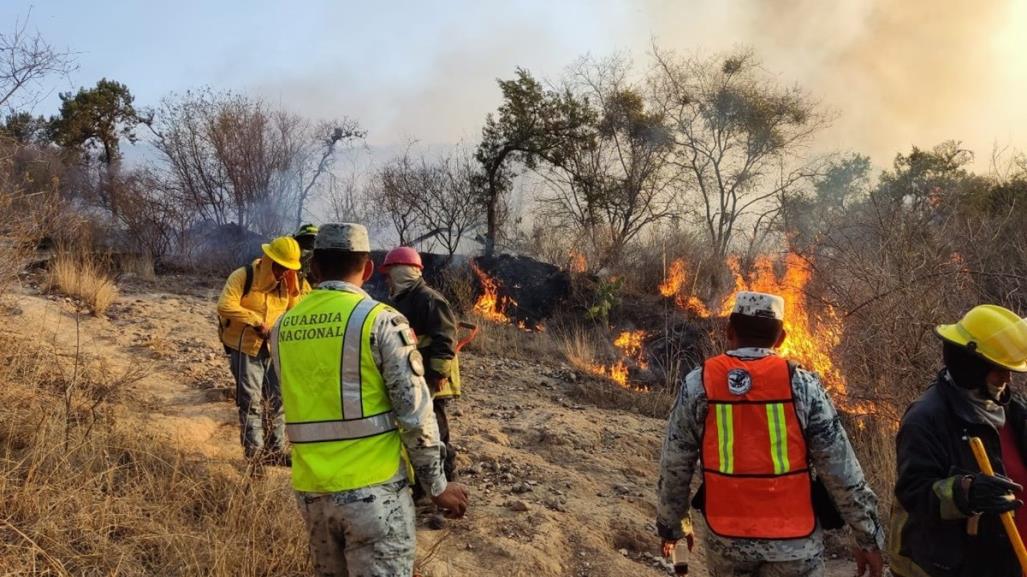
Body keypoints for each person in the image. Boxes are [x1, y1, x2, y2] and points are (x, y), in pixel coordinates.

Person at [270, 223, 469, 577]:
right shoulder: (379, 321)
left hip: (311, 495)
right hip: (374, 496)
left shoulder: (283, 327)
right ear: (367, 269)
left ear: (313, 268)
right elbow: (414, 415)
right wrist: (437, 486)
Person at [657, 291, 885, 577]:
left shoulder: (699, 384)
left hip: (726, 541)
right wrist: (868, 537)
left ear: (729, 331)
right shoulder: (803, 386)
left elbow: (675, 463)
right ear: (781, 339)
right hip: (795, 546)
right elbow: (841, 469)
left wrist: (672, 526)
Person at [890, 304, 1027, 577]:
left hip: (1014, 559)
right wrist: (966, 492)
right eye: (999, 368)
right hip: (965, 566)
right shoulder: (926, 418)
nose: (1007, 377)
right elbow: (914, 493)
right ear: (972, 366)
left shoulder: (1014, 410)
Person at [217, 236, 305, 464]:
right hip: (246, 347)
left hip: (275, 348)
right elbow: (224, 305)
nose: (284, 273)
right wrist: (255, 321)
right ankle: (254, 456)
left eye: (289, 269)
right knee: (251, 402)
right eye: (281, 267)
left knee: (278, 400)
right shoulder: (243, 276)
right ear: (269, 260)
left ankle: (275, 452)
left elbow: (295, 314)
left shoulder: (289, 284)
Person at [381, 246, 461, 483]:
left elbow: (445, 338)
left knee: (436, 430)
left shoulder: (429, 299)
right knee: (417, 429)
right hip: (415, 375)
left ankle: (447, 479)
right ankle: (421, 483)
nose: (388, 279)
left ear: (404, 271)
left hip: (434, 377)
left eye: (391, 273)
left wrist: (438, 373)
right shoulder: (401, 300)